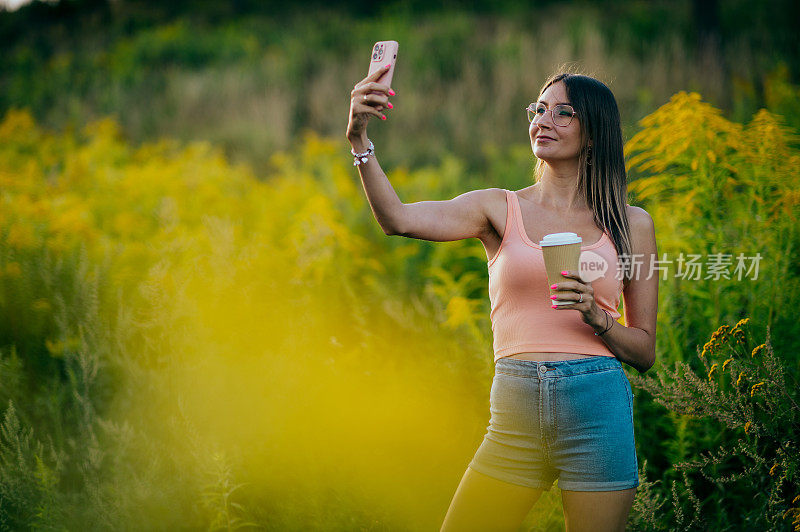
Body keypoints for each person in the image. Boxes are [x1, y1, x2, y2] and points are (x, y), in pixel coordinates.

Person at [346, 69, 658, 531]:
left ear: (594, 133)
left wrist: (598, 316)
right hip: (516, 407)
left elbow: (645, 352)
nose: (543, 120)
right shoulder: (498, 208)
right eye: (539, 109)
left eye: (563, 112)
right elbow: (397, 219)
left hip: (598, 407)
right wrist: (359, 141)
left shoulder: (632, 224)